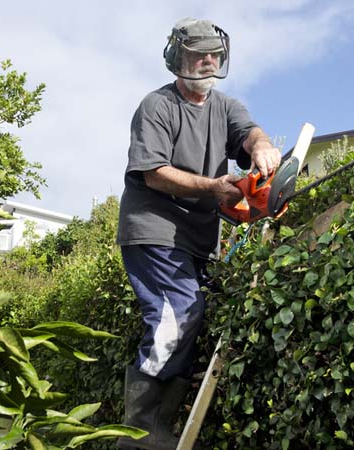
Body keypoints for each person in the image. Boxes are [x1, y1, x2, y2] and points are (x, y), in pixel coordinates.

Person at [116, 17, 281, 450]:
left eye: (214, 54)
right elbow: (153, 173)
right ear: (178, 57)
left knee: (189, 320)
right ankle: (138, 435)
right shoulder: (158, 106)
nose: (207, 61)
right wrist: (212, 188)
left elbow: (249, 133)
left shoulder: (225, 107)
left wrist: (261, 147)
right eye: (198, 53)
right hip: (154, 229)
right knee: (177, 315)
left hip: (196, 237)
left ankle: (158, 428)